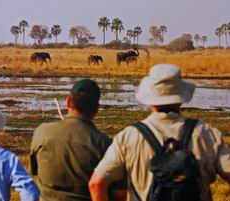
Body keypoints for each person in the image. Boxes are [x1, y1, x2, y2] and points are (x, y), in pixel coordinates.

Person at [89, 64, 230, 201]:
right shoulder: (208, 134)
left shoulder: (129, 136)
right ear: (181, 98)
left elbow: (96, 184)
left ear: (150, 98)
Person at [30, 79, 124, 201]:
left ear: (68, 102)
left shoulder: (42, 132)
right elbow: (118, 192)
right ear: (96, 109)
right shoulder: (103, 143)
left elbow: (35, 171)